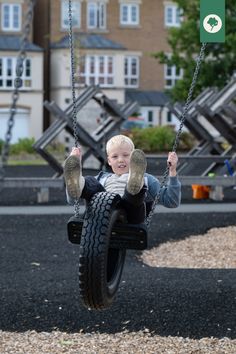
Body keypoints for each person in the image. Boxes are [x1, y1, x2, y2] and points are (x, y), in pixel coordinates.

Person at [63, 134, 181, 224]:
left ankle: (134, 184)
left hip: (130, 216)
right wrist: (75, 181)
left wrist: (173, 171)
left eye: (126, 155)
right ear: (109, 161)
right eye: (115, 156)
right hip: (101, 212)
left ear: (134, 158)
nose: (120, 160)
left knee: (135, 193)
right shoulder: (102, 178)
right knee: (90, 182)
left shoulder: (146, 179)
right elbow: (72, 200)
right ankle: (78, 182)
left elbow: (172, 201)